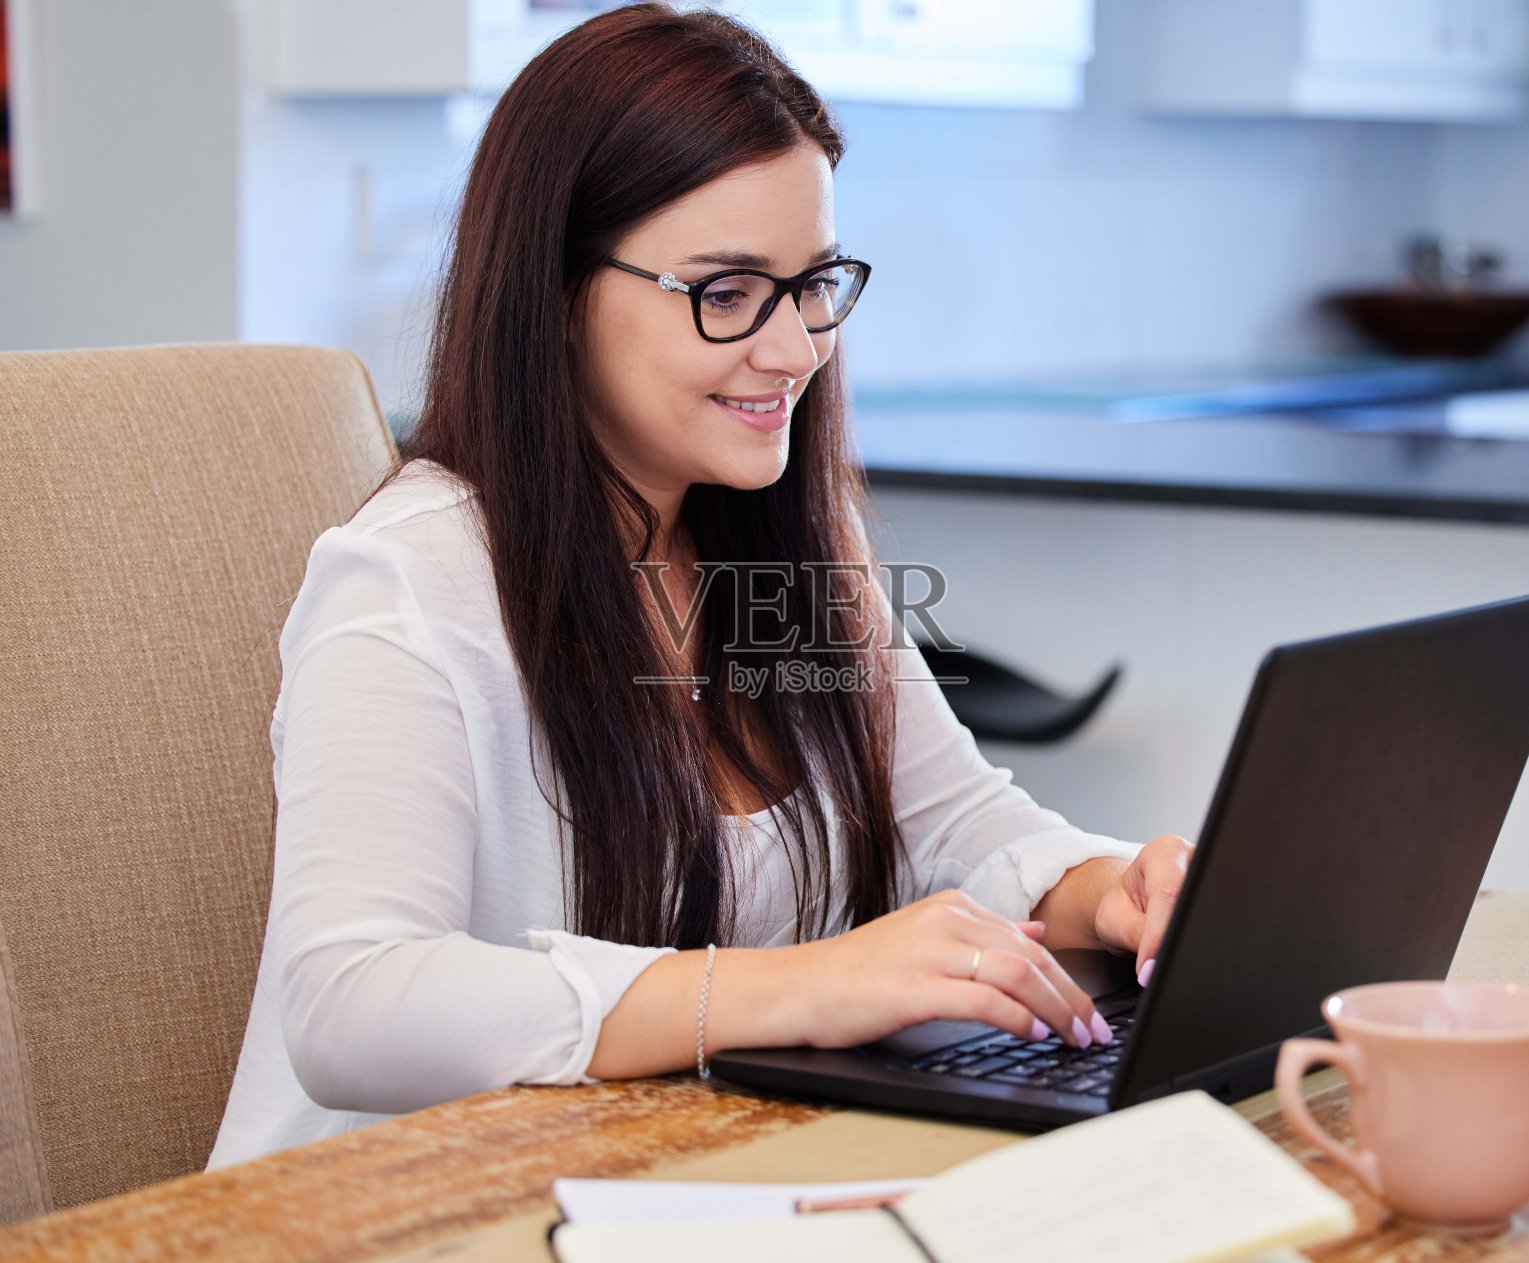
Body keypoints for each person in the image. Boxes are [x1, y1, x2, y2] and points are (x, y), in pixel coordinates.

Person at [207, 3, 1193, 1169]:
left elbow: (954, 823)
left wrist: (1108, 888)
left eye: (813, 283)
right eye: (726, 294)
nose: (796, 349)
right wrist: (805, 986)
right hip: (399, 1206)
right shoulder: (408, 583)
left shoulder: (787, 542)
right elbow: (353, 1004)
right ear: (555, 292)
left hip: (673, 1173)